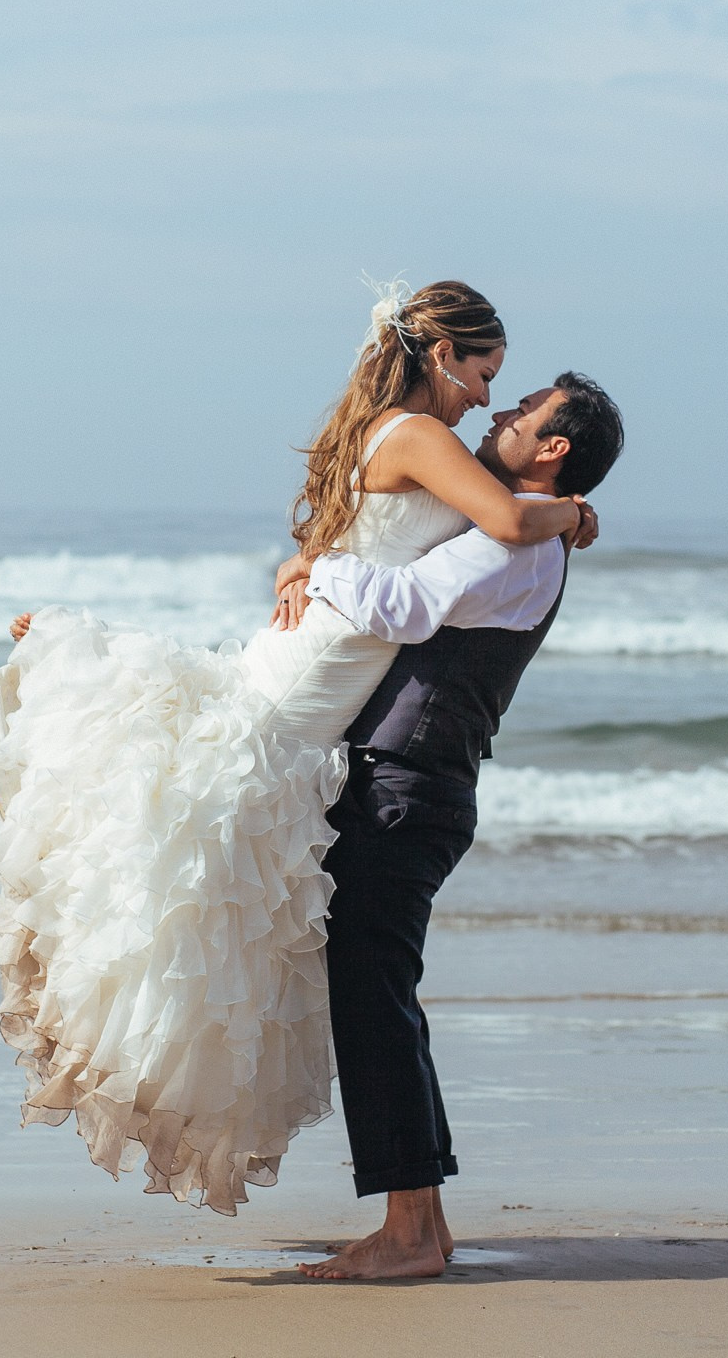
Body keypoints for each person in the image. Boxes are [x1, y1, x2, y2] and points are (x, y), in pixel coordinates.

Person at [0, 281, 597, 1215]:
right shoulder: (423, 439)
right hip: (310, 687)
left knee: (218, 903)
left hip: (327, 687)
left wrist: (312, 560)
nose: (487, 399)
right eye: (483, 372)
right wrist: (574, 514)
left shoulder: (414, 439)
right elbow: (501, 523)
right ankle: (398, 1206)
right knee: (193, 879)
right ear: (440, 355)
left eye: (506, 389)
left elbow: (425, 541)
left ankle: (405, 1211)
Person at [281, 372, 626, 1280]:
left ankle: (407, 1235)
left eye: (523, 411)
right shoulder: (528, 535)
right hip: (415, 786)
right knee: (385, 1000)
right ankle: (422, 1226)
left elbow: (400, 606)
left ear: (551, 448)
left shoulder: (512, 546)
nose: (500, 412)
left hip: (406, 790)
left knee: (374, 1005)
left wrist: (315, 565)